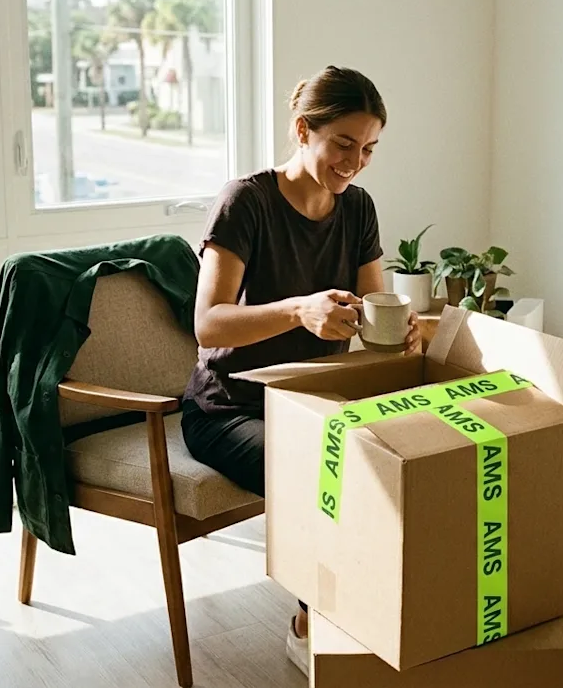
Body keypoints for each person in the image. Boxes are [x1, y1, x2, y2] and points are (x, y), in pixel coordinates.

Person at [180, 65, 421, 675]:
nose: (356, 161)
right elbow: (209, 323)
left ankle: (381, 615)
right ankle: (311, 623)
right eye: (343, 143)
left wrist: (397, 327)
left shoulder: (358, 207)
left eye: (368, 149)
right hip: (231, 407)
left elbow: (371, 310)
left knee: (402, 464)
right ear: (302, 129)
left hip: (316, 401)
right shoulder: (247, 201)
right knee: (331, 477)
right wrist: (298, 311)